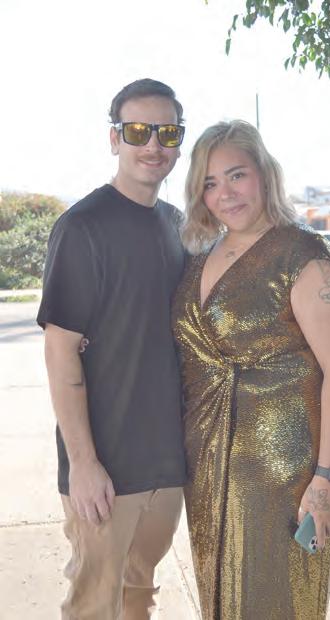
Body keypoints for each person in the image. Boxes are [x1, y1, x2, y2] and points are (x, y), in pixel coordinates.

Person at [172, 120, 330, 620]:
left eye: (237, 175)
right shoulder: (202, 254)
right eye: (210, 183)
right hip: (209, 459)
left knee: (275, 601)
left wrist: (328, 479)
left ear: (265, 174)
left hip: (287, 466)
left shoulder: (305, 257)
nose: (225, 193)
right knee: (220, 595)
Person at [37, 78, 187, 619]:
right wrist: (83, 463)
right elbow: (60, 351)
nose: (153, 145)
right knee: (93, 607)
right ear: (114, 138)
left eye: (167, 132)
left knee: (138, 598)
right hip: (105, 468)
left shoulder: (177, 226)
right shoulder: (83, 227)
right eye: (138, 131)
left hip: (166, 463)